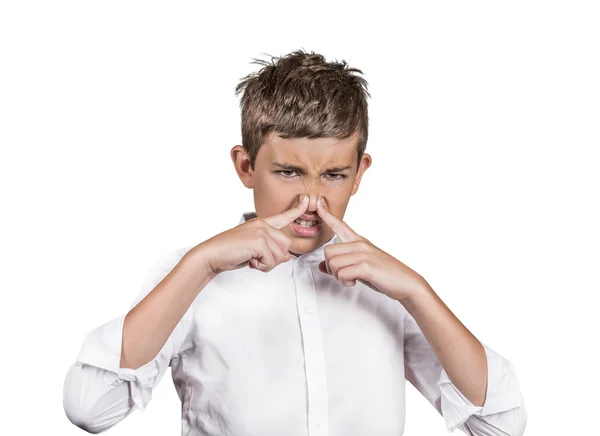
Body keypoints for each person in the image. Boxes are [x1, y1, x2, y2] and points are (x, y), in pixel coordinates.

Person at [63, 49, 527, 435]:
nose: (310, 199)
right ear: (246, 167)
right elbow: (90, 407)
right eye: (288, 172)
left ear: (360, 173)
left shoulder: (387, 288)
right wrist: (201, 264)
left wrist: (416, 292)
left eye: (334, 175)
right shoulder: (194, 276)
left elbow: (500, 425)